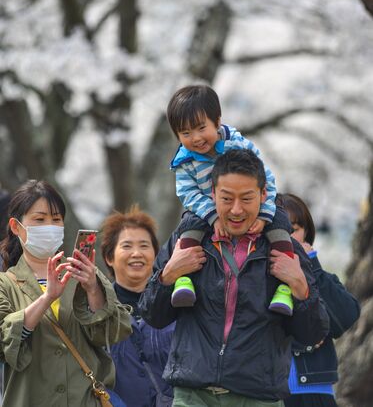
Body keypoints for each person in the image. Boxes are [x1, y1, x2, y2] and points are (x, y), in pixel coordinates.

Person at [139, 149, 330, 407]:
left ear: (264, 196)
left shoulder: (284, 249)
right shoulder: (187, 241)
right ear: (212, 194)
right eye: (227, 198)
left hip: (258, 397)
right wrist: (168, 275)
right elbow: (153, 315)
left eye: (247, 198)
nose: (236, 209)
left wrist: (300, 287)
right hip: (192, 395)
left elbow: (312, 333)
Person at [0, 179, 133, 407]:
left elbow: (114, 334)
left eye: (56, 219)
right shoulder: (5, 283)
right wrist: (47, 298)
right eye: (39, 219)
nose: (49, 226)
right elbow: (5, 344)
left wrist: (93, 289)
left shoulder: (83, 274)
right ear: (16, 226)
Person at [167, 85, 294, 315]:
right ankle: (184, 280)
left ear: (217, 121)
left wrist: (264, 214)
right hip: (205, 209)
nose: (195, 138)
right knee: (188, 227)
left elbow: (265, 180)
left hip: (249, 209)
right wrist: (212, 215)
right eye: (185, 133)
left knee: (281, 223)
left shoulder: (239, 145)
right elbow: (188, 194)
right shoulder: (184, 162)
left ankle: (285, 288)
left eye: (201, 128)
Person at [277, 193, 360, 407]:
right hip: (268, 392)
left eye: (294, 230)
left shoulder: (321, 276)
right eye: (280, 231)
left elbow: (344, 318)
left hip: (315, 392)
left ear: (306, 233)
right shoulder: (255, 279)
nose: (288, 238)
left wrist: (311, 266)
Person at [102, 205, 174, 407]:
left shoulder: (176, 303)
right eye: (126, 246)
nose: (137, 253)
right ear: (109, 257)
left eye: (144, 246)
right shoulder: (96, 310)